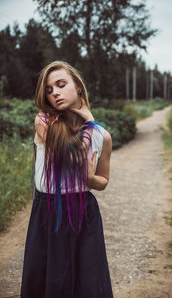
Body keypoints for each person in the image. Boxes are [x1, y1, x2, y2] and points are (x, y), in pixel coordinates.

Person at [20, 61, 113, 298]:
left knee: (89, 284)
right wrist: (90, 121)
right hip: (49, 213)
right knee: (50, 283)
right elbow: (72, 155)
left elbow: (102, 181)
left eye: (61, 85)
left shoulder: (104, 135)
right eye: (49, 90)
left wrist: (90, 179)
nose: (55, 93)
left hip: (84, 212)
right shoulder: (44, 121)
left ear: (78, 87)